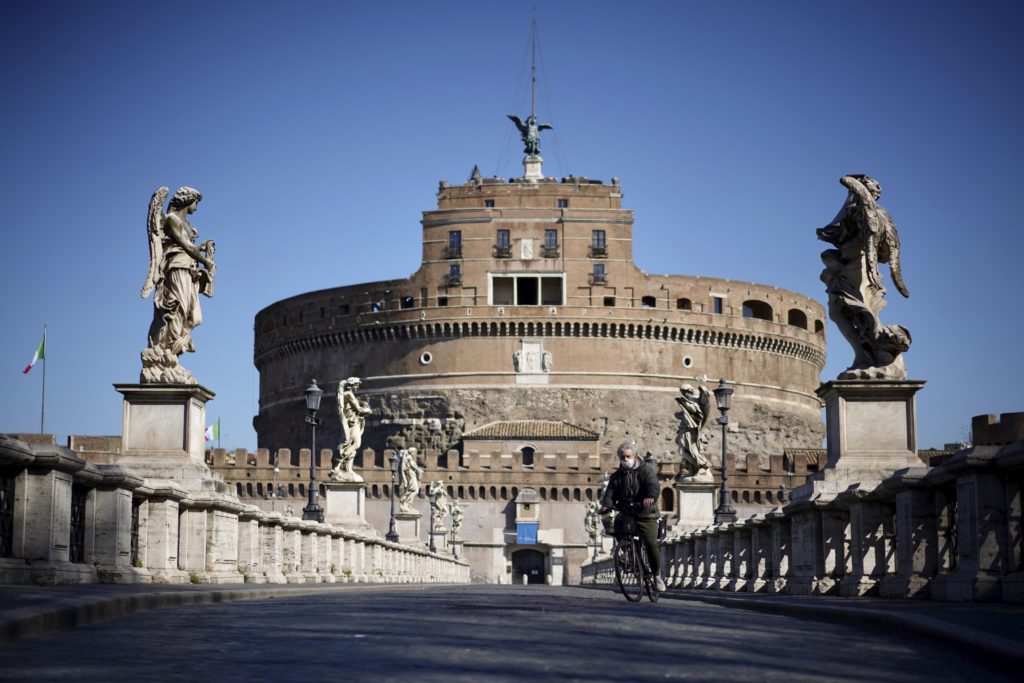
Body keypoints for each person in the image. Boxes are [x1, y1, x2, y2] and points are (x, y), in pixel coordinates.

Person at [599, 442, 666, 592]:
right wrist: (606, 505)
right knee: (617, 526)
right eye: (622, 457)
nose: (625, 459)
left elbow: (653, 486)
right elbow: (610, 493)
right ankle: (627, 554)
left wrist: (650, 496)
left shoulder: (646, 471)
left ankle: (656, 575)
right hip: (627, 512)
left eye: (628, 456)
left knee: (650, 543)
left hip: (646, 513)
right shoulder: (616, 477)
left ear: (635, 456)